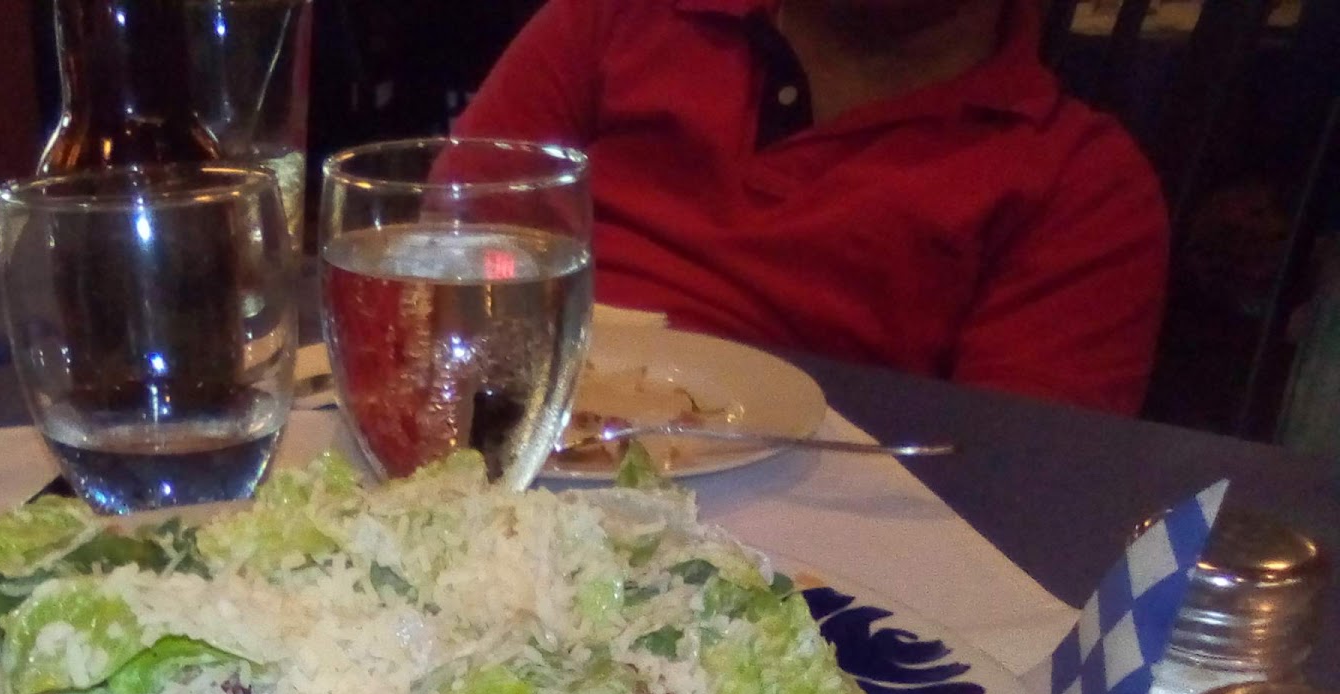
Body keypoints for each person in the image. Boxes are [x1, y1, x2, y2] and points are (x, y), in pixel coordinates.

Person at [453, 0, 1169, 414]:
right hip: (507, 443)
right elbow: (459, 242)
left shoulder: (1084, 184)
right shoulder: (619, 17)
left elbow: (1006, 494)